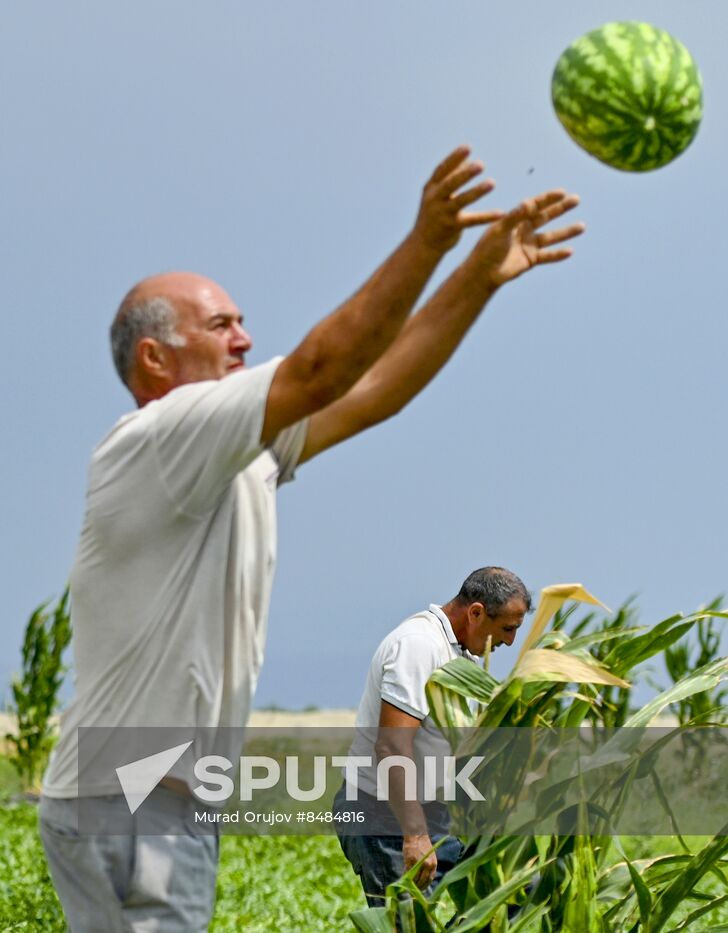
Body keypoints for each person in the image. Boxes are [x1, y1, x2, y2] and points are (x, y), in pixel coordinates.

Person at [37, 148, 583, 931]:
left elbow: (372, 391)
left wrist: (478, 277)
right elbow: (328, 365)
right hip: (134, 798)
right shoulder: (161, 435)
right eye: (221, 324)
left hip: (132, 795)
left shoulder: (235, 456)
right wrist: (427, 242)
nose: (245, 340)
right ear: (155, 357)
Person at [333, 567, 531, 908]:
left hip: (432, 813)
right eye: (507, 629)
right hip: (383, 814)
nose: (510, 641)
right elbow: (392, 745)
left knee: (506, 897)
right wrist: (414, 834)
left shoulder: (460, 653)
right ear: (476, 613)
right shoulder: (419, 646)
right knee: (405, 922)